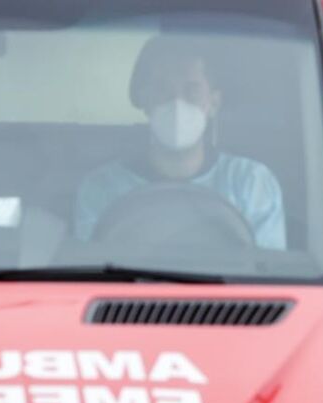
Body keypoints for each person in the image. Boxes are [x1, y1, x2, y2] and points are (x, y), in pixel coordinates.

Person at [74, 35, 286, 250]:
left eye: (191, 90)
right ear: (145, 100)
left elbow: (269, 273)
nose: (176, 103)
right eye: (162, 89)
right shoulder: (102, 188)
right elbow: (89, 273)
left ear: (214, 102)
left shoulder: (250, 184)